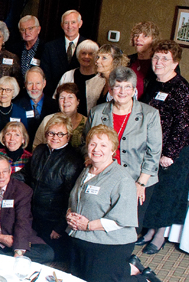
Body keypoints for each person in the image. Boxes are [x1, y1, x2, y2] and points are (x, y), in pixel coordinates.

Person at [67, 125, 157, 282]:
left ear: (113, 150)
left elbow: (122, 220)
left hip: (110, 243)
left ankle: (143, 279)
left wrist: (88, 226)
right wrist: (69, 214)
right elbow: (76, 199)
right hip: (81, 238)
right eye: (93, 144)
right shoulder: (87, 170)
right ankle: (128, 268)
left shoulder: (122, 179)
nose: (96, 149)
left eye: (103, 145)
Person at [86, 66, 162, 245]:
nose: (122, 91)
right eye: (118, 87)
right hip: (103, 176)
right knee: (100, 219)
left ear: (134, 90)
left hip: (137, 177)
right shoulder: (97, 112)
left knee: (128, 225)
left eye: (127, 87)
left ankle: (123, 260)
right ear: (111, 90)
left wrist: (141, 183)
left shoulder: (149, 114)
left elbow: (154, 152)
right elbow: (86, 143)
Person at [138, 40, 189, 255]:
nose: (158, 62)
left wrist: (169, 153)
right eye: (156, 57)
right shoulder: (154, 84)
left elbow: (184, 125)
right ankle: (149, 231)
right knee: (152, 192)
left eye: (164, 58)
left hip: (172, 153)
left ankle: (158, 236)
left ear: (175, 63)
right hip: (151, 149)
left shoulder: (181, 88)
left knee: (167, 194)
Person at [21, 114, 84, 262]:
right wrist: (4, 177)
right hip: (34, 212)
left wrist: (60, 227)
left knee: (52, 257)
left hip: (53, 219)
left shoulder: (73, 160)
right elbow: (26, 174)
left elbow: (72, 198)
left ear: (68, 136)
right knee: (32, 250)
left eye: (61, 134)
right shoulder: (40, 150)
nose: (55, 137)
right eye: (51, 133)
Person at [0, 155, 54, 263]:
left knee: (47, 252)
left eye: (5, 171)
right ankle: (7, 262)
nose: (1, 176)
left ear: (10, 172)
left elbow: (23, 221)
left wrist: (18, 251)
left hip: (16, 237)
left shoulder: (22, 190)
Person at [41, 10, 89, 92]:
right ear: (62, 25)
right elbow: (45, 75)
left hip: (80, 96)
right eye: (66, 23)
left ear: (80, 24)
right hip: (55, 94)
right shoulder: (50, 47)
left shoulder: (89, 47)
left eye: (73, 22)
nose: (70, 26)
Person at [32, 83, 87, 150]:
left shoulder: (87, 122)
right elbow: (36, 146)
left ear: (78, 101)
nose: (66, 101)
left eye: (70, 97)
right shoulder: (48, 120)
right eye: (62, 98)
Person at [15, 67, 59, 147]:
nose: (34, 88)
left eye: (38, 83)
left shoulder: (55, 106)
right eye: (30, 83)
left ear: (44, 84)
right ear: (25, 84)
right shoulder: (17, 105)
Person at [0, 76, 29, 151]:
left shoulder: (20, 112)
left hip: (14, 151)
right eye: (1, 89)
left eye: (8, 90)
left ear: (14, 92)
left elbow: (24, 135)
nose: (3, 93)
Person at [56, 39, 98, 115]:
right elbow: (57, 97)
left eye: (91, 54)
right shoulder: (68, 75)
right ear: (78, 55)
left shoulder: (101, 79)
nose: (86, 56)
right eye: (83, 53)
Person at [86, 44, 130, 112]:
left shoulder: (121, 84)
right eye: (98, 57)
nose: (97, 61)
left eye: (104, 58)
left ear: (115, 61)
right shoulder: (100, 82)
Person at [129, 22, 161, 94]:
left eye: (145, 36)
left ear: (154, 40)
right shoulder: (127, 60)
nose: (138, 39)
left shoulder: (160, 64)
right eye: (136, 35)